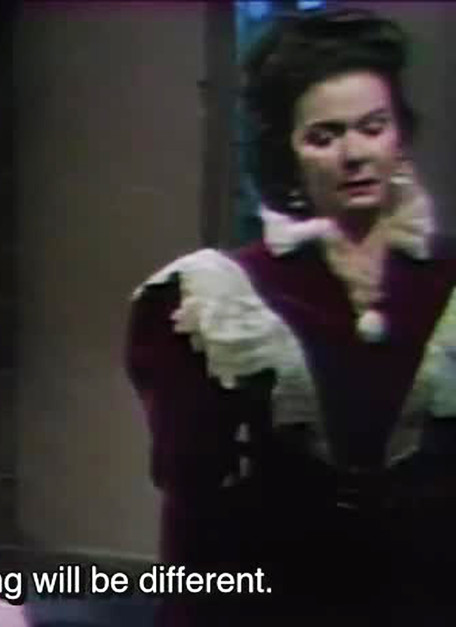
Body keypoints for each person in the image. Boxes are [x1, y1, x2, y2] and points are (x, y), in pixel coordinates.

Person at [126, 9, 456, 626]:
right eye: (324, 137)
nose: (354, 154)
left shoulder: (447, 283)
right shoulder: (218, 297)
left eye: (372, 128)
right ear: (289, 154)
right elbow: (194, 511)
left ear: (399, 136)